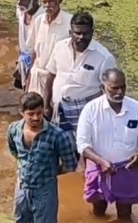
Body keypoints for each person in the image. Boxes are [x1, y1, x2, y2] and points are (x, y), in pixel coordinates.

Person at [75, 68, 138, 219]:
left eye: (123, 87)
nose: (119, 92)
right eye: (114, 88)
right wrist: (101, 161)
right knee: (98, 209)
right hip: (98, 167)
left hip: (127, 167)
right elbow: (82, 144)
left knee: (125, 213)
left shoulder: (136, 108)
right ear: (103, 87)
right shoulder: (91, 109)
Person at [7, 91, 78, 223]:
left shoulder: (58, 136)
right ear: (21, 113)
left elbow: (70, 164)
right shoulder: (13, 130)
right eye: (30, 114)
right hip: (22, 185)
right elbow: (14, 151)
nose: (36, 118)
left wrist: (50, 172)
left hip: (45, 189)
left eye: (39, 113)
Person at [41, 11, 116, 147]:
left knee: (88, 150)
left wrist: (108, 120)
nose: (81, 37)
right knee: (61, 150)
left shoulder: (104, 57)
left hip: (86, 112)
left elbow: (110, 90)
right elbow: (51, 75)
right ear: (70, 32)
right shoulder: (59, 47)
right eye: (77, 33)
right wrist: (46, 105)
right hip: (59, 108)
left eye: (85, 33)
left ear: (92, 32)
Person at [26, 0, 70, 100]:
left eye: (51, 1)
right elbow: (34, 52)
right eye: (44, 2)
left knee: (52, 114)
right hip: (37, 76)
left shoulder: (70, 23)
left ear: (60, 0)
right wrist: (28, 78)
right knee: (32, 113)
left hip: (57, 80)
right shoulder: (38, 21)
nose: (47, 5)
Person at [13, 0, 41, 89]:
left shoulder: (42, 17)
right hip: (23, 58)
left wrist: (32, 69)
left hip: (37, 63)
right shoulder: (20, 11)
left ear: (33, 0)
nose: (19, 3)